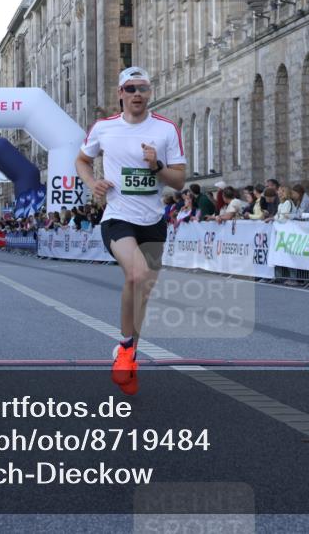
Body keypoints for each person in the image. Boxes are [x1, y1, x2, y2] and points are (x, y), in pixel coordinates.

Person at [75, 66, 186, 396]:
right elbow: (82, 160)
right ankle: (125, 348)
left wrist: (156, 167)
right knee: (136, 276)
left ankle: (130, 353)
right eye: (131, 88)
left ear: (149, 93)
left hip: (152, 221)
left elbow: (180, 181)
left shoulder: (165, 129)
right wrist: (93, 183)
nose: (138, 93)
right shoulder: (104, 128)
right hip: (117, 217)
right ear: (120, 94)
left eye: (143, 88)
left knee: (144, 293)